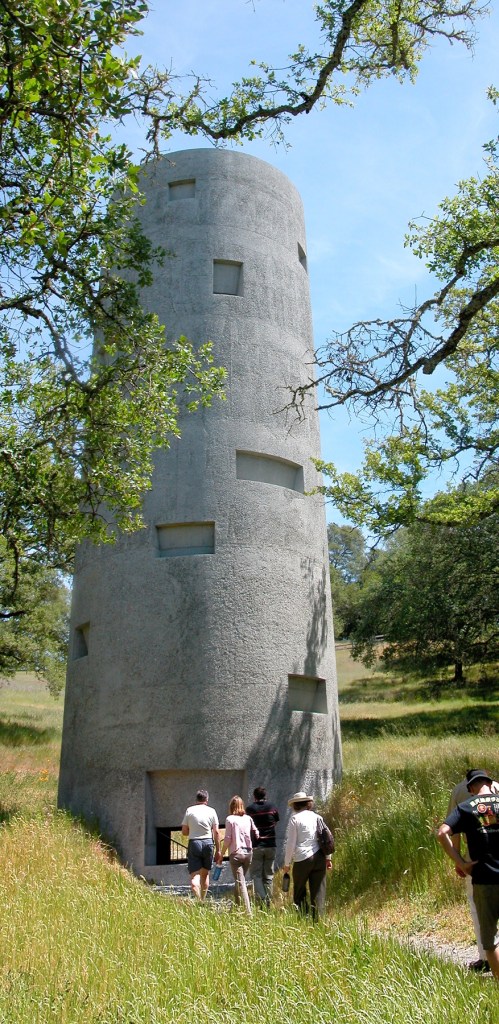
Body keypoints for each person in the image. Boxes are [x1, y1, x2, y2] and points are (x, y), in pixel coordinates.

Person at [438, 768, 499, 980]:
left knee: (489, 941)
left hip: (484, 878)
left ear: (471, 788)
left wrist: (461, 862)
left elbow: (442, 832)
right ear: (491, 784)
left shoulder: (465, 805)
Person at [283, 790, 332, 921]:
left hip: (302, 859)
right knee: (319, 892)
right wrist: (328, 858)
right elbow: (326, 838)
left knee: (299, 891)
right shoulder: (317, 817)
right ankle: (318, 921)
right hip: (319, 857)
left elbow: (291, 844)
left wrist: (287, 864)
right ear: (307, 804)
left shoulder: (295, 819)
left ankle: (303, 919)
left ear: (295, 805)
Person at [216, 795, 259, 915]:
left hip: (236, 854)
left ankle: (248, 912)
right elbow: (256, 832)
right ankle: (235, 907)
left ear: (231, 807)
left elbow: (228, 838)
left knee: (241, 882)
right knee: (239, 880)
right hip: (248, 853)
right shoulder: (248, 818)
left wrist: (222, 852)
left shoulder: (230, 819)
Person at [182, 789, 221, 900]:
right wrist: (218, 850)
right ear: (206, 799)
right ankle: (202, 900)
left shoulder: (189, 810)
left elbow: (184, 832)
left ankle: (197, 895)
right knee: (205, 874)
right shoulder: (212, 811)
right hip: (208, 843)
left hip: (194, 842)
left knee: (195, 876)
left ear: (196, 799)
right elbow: (216, 832)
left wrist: (193, 830)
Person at [246, 786, 280, 906]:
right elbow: (275, 822)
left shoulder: (250, 810)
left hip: (256, 846)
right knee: (268, 875)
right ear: (265, 796)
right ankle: (268, 901)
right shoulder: (272, 807)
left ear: (254, 796)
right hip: (271, 845)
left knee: (256, 875)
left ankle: (262, 898)